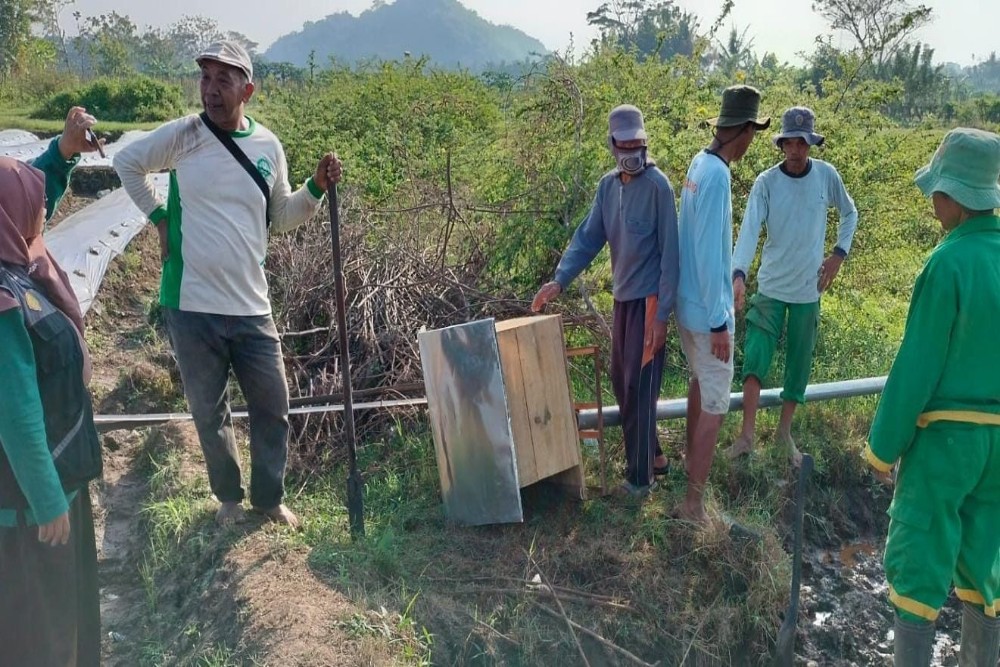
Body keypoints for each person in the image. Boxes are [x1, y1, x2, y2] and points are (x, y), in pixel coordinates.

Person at [114, 41, 343, 528]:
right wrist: (159, 217)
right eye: (205, 78)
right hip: (191, 303)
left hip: (250, 304)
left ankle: (268, 499)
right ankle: (229, 500)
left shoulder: (268, 147)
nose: (210, 90)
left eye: (223, 80)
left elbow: (279, 216)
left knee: (272, 405)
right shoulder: (184, 136)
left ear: (248, 90)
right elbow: (127, 163)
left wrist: (316, 188)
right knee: (208, 410)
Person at [866, 127, 1000, 666]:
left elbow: (916, 366)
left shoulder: (947, 264)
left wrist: (882, 447)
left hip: (946, 440)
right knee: (987, 563)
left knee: (919, 560)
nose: (931, 201)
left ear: (958, 197)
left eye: (937, 191)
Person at [531, 104, 679, 497]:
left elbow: (671, 255)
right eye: (625, 145)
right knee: (621, 381)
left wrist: (662, 315)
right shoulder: (608, 187)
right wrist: (558, 281)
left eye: (639, 144)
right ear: (612, 145)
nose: (633, 152)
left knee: (640, 387)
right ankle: (657, 458)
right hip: (622, 301)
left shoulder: (658, 186)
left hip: (648, 302)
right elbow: (588, 238)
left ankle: (640, 478)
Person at [0, 108, 104, 666]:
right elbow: (14, 412)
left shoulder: (17, 256)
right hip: (26, 519)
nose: (42, 212)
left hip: (56, 492)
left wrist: (61, 155)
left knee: (65, 630)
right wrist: (45, 501)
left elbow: (29, 197)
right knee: (38, 640)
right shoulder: (2, 299)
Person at [728, 107, 858, 465]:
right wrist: (738, 273)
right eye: (790, 142)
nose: (796, 150)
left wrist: (838, 254)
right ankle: (746, 436)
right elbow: (750, 229)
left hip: (807, 289)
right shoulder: (766, 183)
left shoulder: (826, 177)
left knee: (799, 365)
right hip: (770, 286)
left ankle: (785, 434)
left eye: (803, 143)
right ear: (781, 144)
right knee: (755, 357)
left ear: (811, 144)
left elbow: (850, 212)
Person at [674, 85, 768, 524]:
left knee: (699, 385)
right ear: (745, 130)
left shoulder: (699, 163)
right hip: (706, 312)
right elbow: (711, 253)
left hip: (687, 304)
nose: (752, 141)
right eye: (754, 132)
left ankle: (689, 473)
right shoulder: (718, 175)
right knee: (715, 405)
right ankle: (693, 504)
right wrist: (719, 323)